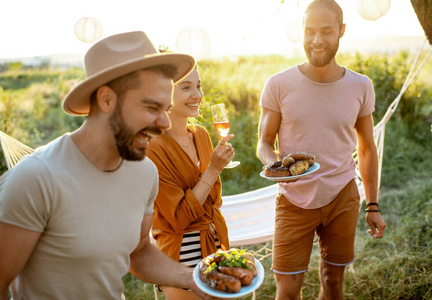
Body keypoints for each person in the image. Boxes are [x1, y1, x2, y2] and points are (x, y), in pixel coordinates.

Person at [0, 31, 219, 300]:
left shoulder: (144, 173)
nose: (164, 124)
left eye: (165, 109)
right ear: (106, 100)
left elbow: (139, 252)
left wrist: (194, 278)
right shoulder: (33, 180)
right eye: (151, 107)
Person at [257, 1, 386, 299]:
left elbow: (366, 149)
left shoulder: (360, 85)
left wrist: (373, 205)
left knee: (333, 282)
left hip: (342, 195)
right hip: (293, 200)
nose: (316, 40)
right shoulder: (278, 84)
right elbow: (264, 143)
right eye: (309, 31)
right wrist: (277, 167)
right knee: (287, 290)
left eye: (326, 31)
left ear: (341, 31)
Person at [147, 65, 235, 300]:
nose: (197, 95)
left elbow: (214, 200)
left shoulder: (202, 135)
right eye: (186, 87)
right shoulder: (153, 148)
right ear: (162, 94)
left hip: (216, 249)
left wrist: (212, 174)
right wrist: (214, 169)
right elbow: (179, 218)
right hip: (181, 261)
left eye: (198, 86)